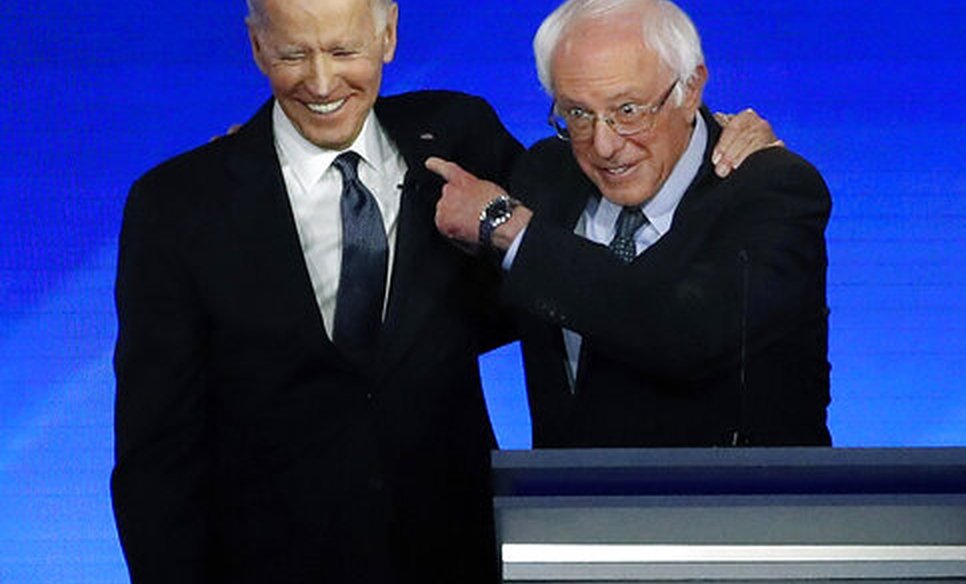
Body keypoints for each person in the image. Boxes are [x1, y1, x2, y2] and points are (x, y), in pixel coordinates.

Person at [111, 0, 522, 581]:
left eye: (344, 51)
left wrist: (698, 132)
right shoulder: (179, 206)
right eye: (293, 54)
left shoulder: (460, 138)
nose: (322, 83)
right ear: (257, 48)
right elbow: (157, 454)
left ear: (388, 35)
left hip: (455, 556)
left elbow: (580, 232)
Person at [429, 0, 832, 448]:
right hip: (564, 511)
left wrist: (513, 230)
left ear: (691, 88)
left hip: (737, 510)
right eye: (578, 114)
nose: (604, 145)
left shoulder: (771, 190)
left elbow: (682, 331)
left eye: (628, 111)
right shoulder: (543, 175)